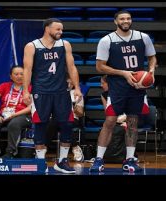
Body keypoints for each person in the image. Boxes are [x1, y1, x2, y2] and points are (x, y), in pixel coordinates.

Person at [90, 10, 157, 173]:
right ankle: (98, 159)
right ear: (115, 21)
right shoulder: (107, 40)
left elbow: (152, 57)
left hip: (137, 87)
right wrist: (123, 73)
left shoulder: (143, 37)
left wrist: (151, 72)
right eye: (122, 18)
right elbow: (100, 67)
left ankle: (130, 160)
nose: (126, 21)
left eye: (128, 18)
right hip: (118, 87)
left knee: (133, 123)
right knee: (110, 122)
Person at [23, 18, 83, 174]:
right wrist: (25, 91)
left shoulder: (65, 44)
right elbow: (27, 70)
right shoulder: (32, 46)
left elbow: (71, 66)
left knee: (67, 124)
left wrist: (77, 88)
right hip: (41, 91)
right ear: (47, 29)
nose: (60, 32)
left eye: (62, 30)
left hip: (61, 91)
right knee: (41, 125)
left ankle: (62, 161)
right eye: (57, 29)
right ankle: (40, 162)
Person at [0, 66, 32, 158]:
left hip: (22, 115)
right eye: (16, 74)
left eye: (22, 74)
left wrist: (14, 115)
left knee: (14, 124)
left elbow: (31, 107)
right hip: (3, 114)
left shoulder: (30, 88)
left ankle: (10, 152)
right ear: (11, 76)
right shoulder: (5, 86)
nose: (19, 76)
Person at [46, 76, 85, 162]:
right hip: (54, 118)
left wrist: (74, 106)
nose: (69, 85)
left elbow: (80, 113)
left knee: (65, 122)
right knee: (55, 122)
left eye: (71, 83)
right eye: (67, 83)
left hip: (72, 118)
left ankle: (43, 148)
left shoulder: (76, 93)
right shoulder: (54, 93)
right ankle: (75, 147)